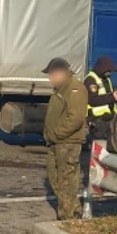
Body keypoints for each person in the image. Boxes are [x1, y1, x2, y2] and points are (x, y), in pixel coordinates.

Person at [42, 57, 88, 220]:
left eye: (52, 74)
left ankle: (67, 217)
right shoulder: (60, 89)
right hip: (57, 142)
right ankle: (73, 210)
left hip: (68, 142)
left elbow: (76, 117)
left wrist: (57, 134)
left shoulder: (74, 89)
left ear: (62, 73)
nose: (50, 78)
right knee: (55, 177)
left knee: (67, 179)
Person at [84, 56, 117, 140]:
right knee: (98, 144)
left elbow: (109, 94)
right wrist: (113, 97)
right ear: (102, 68)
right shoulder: (91, 80)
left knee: (104, 145)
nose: (109, 73)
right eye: (108, 71)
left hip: (107, 118)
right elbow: (92, 100)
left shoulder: (107, 79)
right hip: (96, 119)